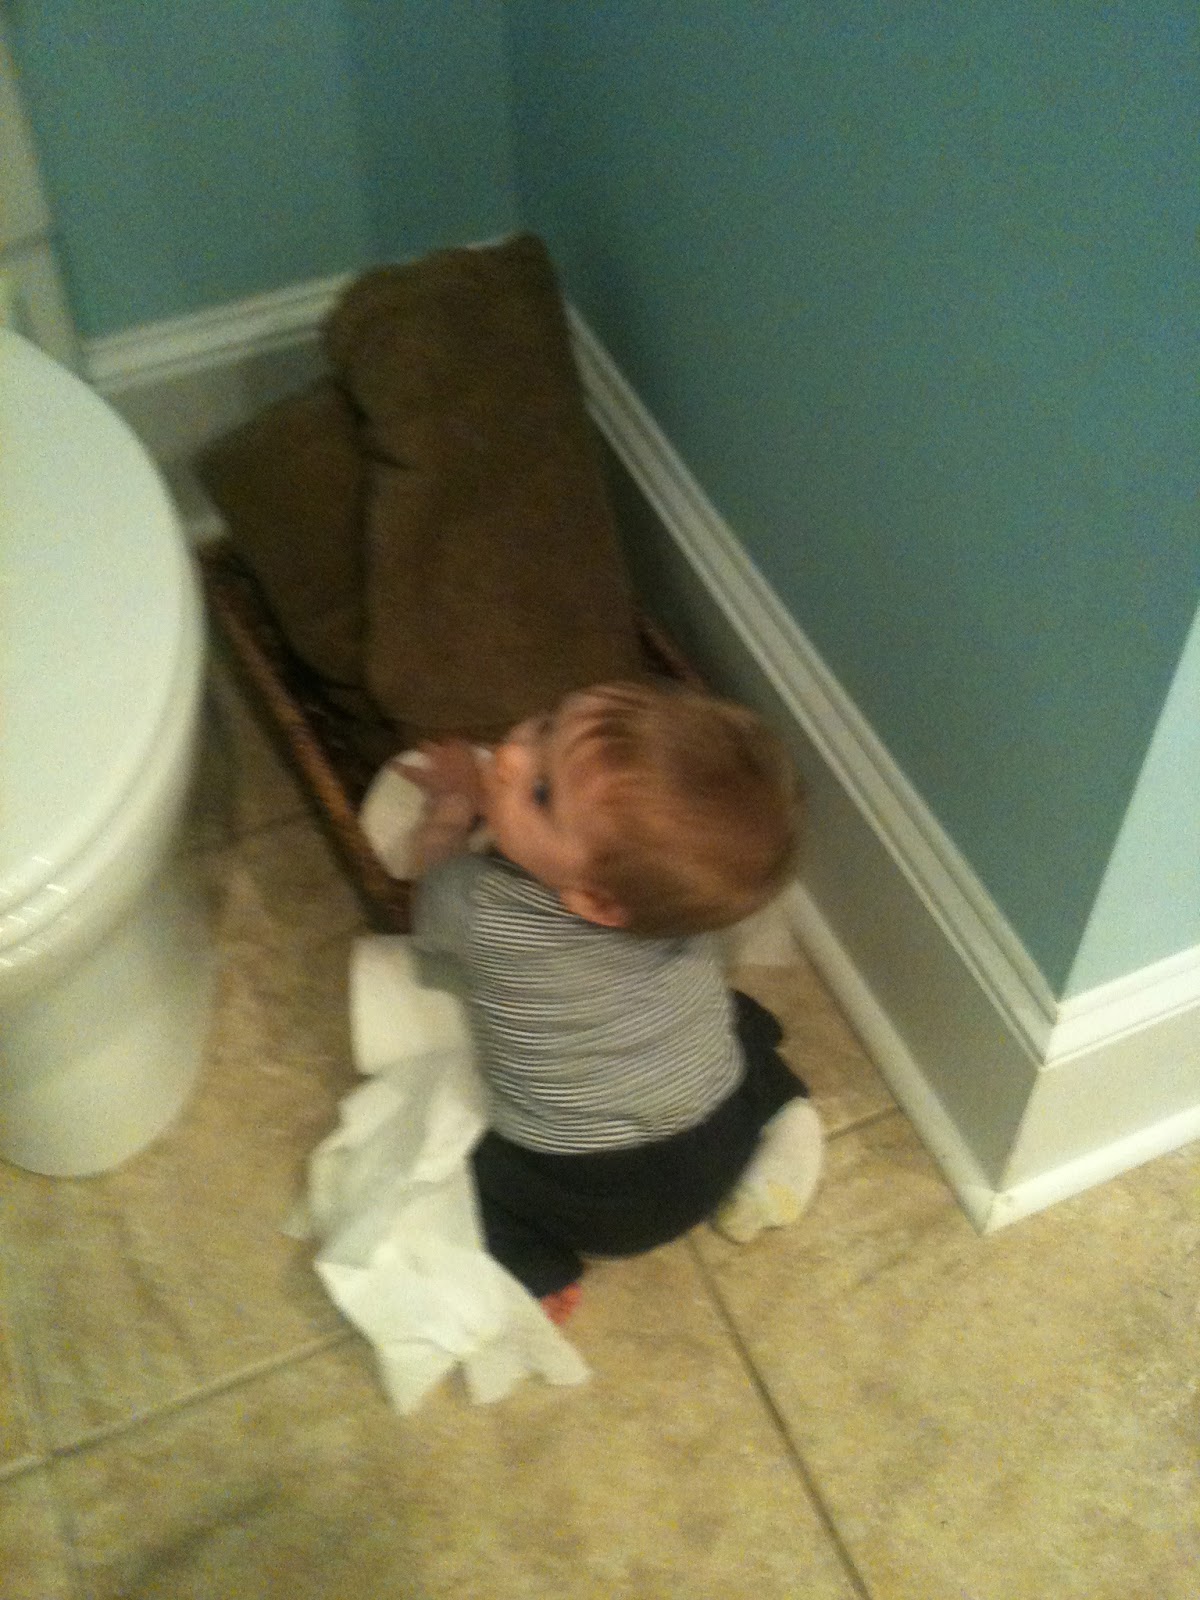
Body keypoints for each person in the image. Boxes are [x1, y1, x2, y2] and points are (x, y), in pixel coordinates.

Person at [403, 680, 822, 1324]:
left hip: (590, 1197)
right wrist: (529, 802)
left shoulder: (476, 906)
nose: (509, 755)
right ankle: (781, 1121)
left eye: (541, 794)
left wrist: (453, 808)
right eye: (546, 723)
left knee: (465, 1168)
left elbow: (428, 885)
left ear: (597, 902)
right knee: (737, 1027)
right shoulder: (681, 904)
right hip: (719, 1135)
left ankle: (539, 1270)